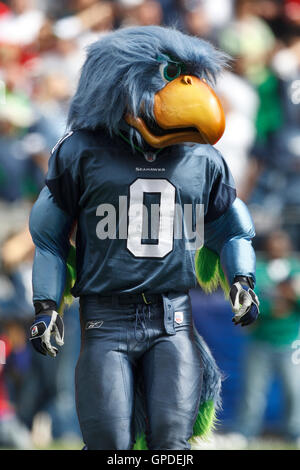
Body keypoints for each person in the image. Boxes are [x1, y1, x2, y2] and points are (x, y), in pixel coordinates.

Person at [28, 26, 260, 450]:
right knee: (109, 447)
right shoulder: (80, 151)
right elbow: (49, 238)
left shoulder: (204, 158)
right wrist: (47, 307)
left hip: (173, 319)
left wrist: (243, 280)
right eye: (171, 73)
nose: (188, 86)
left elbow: (234, 228)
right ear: (118, 82)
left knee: (173, 447)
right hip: (105, 320)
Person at [235, 231, 300, 443]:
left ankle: (294, 433)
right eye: (274, 242)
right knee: (253, 393)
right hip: (260, 340)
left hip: (291, 341)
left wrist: (290, 298)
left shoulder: (296, 267)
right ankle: (246, 432)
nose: (278, 246)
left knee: (294, 391)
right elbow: (252, 303)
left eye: (282, 241)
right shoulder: (257, 270)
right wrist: (281, 301)